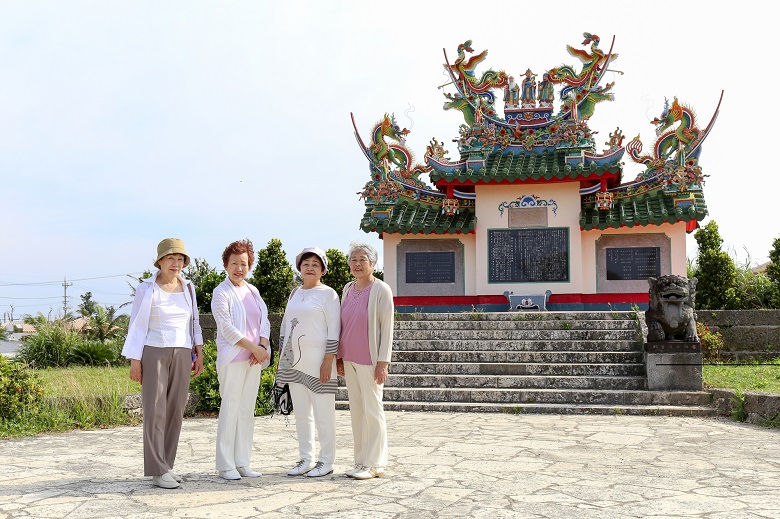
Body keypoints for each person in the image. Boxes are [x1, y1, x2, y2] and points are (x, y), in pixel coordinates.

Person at [122, 238, 204, 489]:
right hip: (154, 351)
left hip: (182, 352)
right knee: (155, 409)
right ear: (159, 261)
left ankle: (167, 465)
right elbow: (136, 325)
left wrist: (198, 351)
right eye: (171, 258)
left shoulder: (188, 287)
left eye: (180, 259)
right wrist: (135, 360)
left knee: (175, 409)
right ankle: (157, 470)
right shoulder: (147, 288)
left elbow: (195, 323)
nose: (176, 263)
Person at [276, 246, 341, 478]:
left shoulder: (329, 294)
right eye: (306, 264)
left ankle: (326, 461)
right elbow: (285, 325)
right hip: (294, 363)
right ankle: (306, 458)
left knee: (324, 412)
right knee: (302, 413)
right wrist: (282, 359)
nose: (310, 267)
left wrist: (328, 360)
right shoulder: (295, 293)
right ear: (300, 268)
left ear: (323, 269)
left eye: (315, 264)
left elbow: (334, 329)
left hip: (319, 362)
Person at [211, 239, 271, 481]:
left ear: (250, 265)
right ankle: (226, 465)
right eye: (234, 263)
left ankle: (243, 462)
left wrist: (263, 346)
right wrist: (253, 348)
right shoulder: (220, 292)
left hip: (253, 360)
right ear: (226, 264)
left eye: (244, 264)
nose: (239, 268)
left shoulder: (253, 291)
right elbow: (226, 327)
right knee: (231, 408)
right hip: (234, 358)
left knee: (246, 409)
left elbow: (264, 320)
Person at [336, 241, 394, 480]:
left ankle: (375, 463)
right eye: (353, 259)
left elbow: (387, 327)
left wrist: (384, 361)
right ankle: (361, 461)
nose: (357, 264)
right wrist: (338, 356)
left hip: (370, 360)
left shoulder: (381, 290)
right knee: (357, 411)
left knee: (373, 410)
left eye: (363, 259)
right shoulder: (348, 288)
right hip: (349, 358)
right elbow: (342, 324)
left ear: (373, 263)